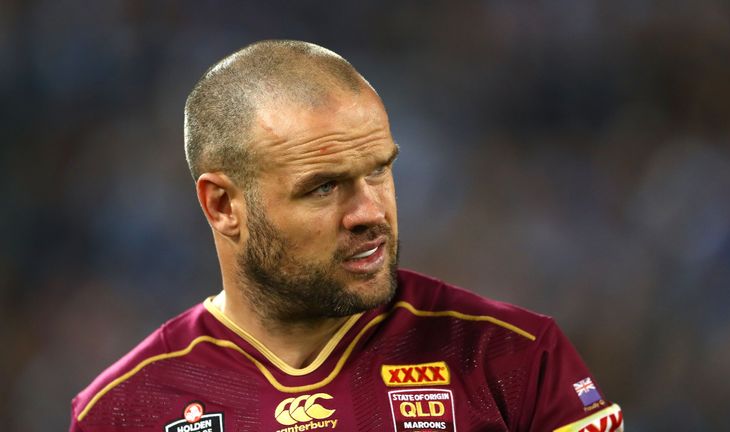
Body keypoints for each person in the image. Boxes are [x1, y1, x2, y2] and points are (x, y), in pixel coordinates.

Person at [70, 40, 623, 432]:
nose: (369, 212)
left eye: (379, 170)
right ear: (223, 205)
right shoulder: (123, 412)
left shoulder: (515, 358)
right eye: (324, 187)